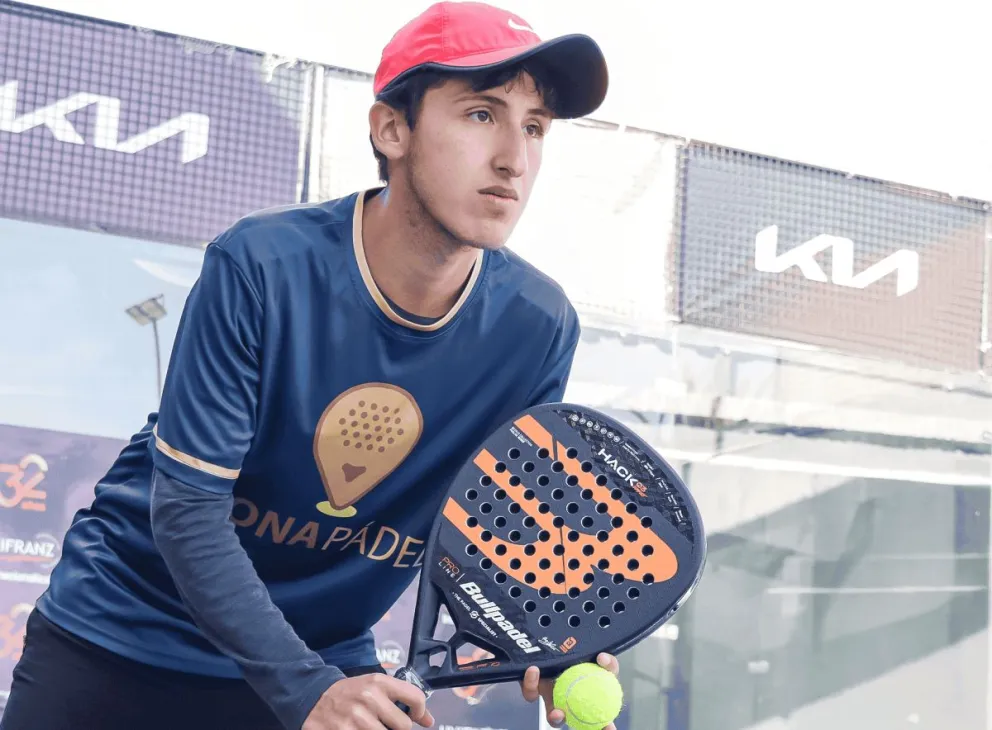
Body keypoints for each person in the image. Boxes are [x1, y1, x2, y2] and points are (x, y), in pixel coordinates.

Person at [0, 3, 617, 729]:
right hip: (120, 638)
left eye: (535, 126)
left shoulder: (538, 328)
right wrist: (307, 692)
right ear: (392, 129)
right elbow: (189, 511)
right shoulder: (263, 263)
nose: (515, 156)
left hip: (319, 660)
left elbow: (500, 529)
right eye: (482, 114)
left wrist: (552, 635)